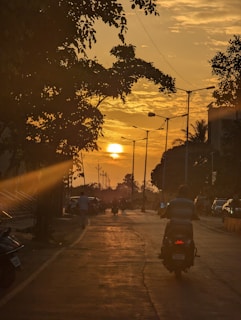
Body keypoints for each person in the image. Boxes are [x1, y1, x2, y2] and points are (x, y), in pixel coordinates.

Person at [159, 184, 199, 258]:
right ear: (187, 193)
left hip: (174, 223)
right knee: (190, 238)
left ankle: (163, 251)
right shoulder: (191, 203)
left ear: (179, 192)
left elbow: (166, 213)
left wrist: (163, 215)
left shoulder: (173, 202)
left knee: (166, 236)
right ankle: (192, 252)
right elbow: (195, 215)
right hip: (187, 225)